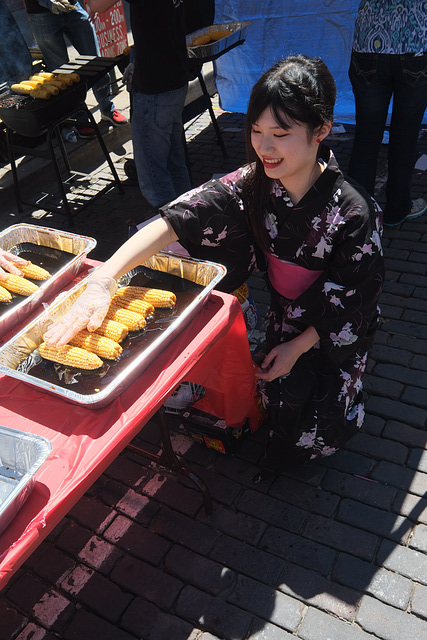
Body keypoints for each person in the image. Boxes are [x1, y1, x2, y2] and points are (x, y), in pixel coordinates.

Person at [44, 55, 385, 479]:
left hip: (332, 323)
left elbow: (357, 296)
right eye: (256, 131)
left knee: (323, 410)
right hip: (287, 310)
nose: (264, 147)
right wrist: (104, 276)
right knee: (282, 391)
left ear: (321, 130)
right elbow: (181, 217)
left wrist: (299, 345)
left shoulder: (354, 211)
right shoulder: (256, 182)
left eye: (280, 133)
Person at [87, 0, 193, 207]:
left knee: (154, 181)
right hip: (174, 77)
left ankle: (175, 233)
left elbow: (97, 5)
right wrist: (137, 61)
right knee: (174, 165)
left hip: (156, 88)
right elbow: (157, 22)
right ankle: (192, 221)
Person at [348, 0, 427, 227]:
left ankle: (358, 216)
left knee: (366, 138)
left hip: (370, 42)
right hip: (416, 42)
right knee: (405, 136)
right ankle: (398, 209)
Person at [23, 0, 127, 137]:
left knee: (95, 59)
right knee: (62, 74)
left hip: (71, 5)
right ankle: (79, 119)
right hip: (41, 13)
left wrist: (91, 3)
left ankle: (107, 106)